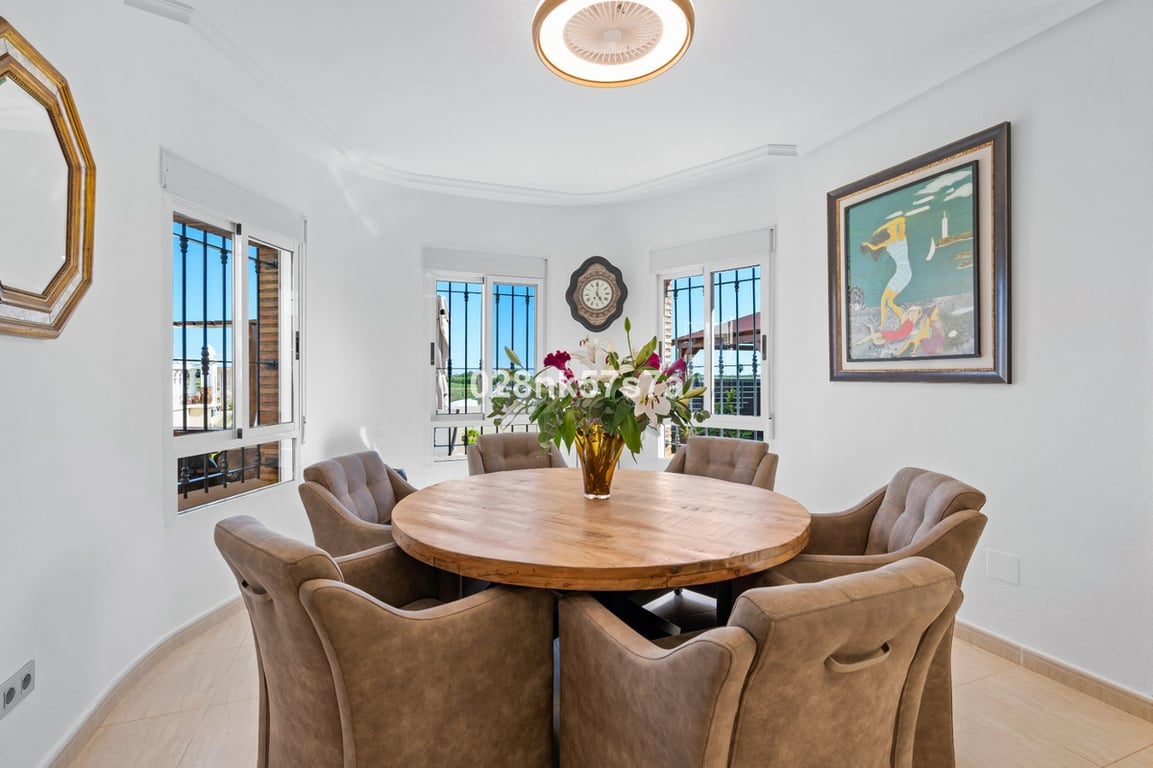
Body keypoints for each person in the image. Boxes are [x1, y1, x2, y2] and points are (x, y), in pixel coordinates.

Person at [861, 216, 912, 329]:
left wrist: (882, 227)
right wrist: (867, 245)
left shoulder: (901, 237)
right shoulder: (887, 243)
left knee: (886, 300)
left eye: (892, 227)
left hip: (904, 272)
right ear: (889, 232)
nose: (890, 228)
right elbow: (874, 248)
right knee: (888, 302)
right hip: (901, 272)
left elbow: (902, 220)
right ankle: (901, 320)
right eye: (890, 228)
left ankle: (885, 324)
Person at [856, 305, 922, 347]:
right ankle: (861, 341)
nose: (914, 313)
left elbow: (918, 314)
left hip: (895, 336)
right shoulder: (909, 319)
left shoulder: (913, 320)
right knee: (874, 338)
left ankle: (871, 327)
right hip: (894, 335)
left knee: (876, 342)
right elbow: (912, 314)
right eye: (914, 311)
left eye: (916, 312)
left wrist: (916, 310)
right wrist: (912, 311)